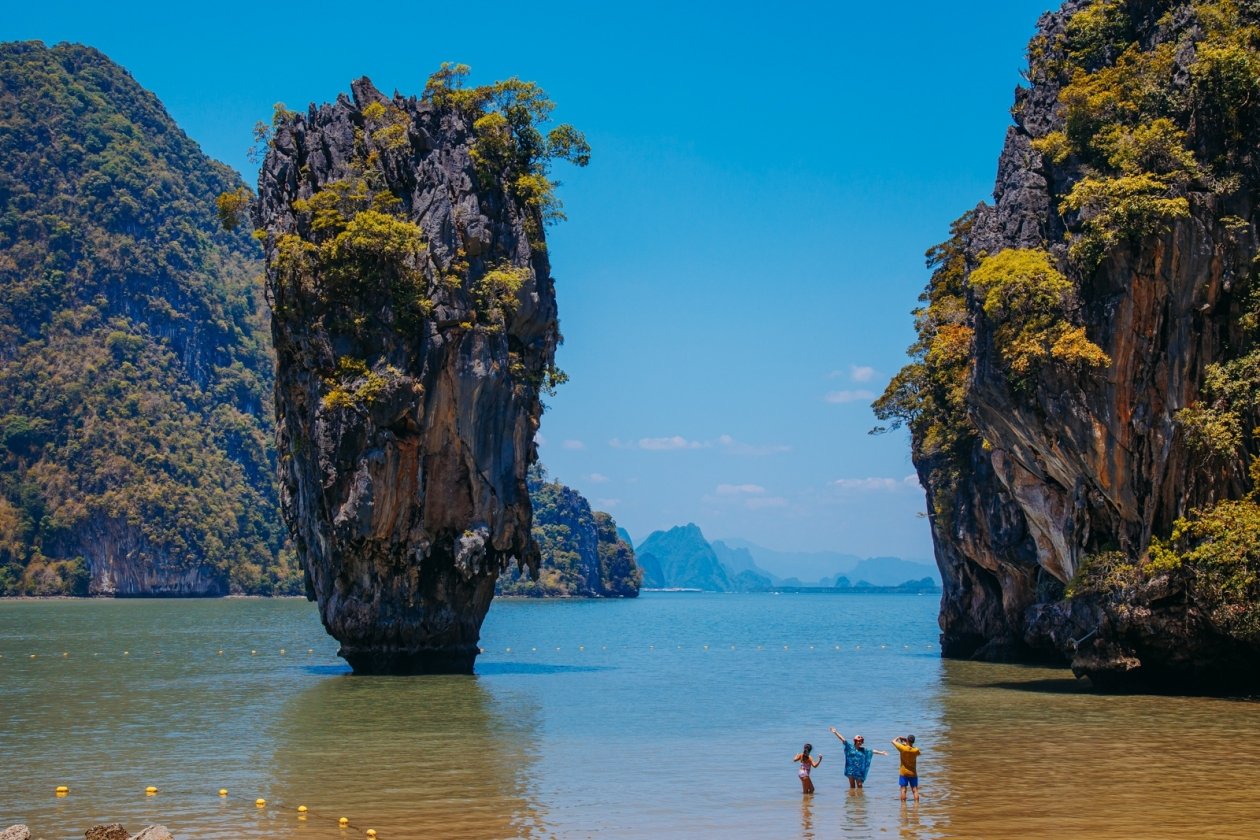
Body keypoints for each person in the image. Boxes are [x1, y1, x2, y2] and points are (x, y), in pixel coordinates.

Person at [892, 735, 921, 802]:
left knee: (903, 789)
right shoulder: (915, 750)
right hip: (913, 773)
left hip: (903, 772)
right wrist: (907, 742)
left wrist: (898, 737)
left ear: (907, 740)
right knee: (915, 790)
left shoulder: (902, 748)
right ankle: (916, 805)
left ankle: (903, 805)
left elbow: (893, 741)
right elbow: (919, 753)